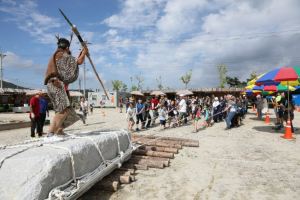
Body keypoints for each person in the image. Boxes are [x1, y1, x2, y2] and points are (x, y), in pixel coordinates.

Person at [44, 34, 87, 137]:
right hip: (56, 85)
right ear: (67, 48)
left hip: (53, 85)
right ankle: (50, 133)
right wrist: (84, 52)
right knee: (64, 109)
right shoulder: (62, 55)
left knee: (63, 108)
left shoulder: (56, 55)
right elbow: (79, 61)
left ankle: (59, 130)